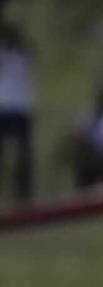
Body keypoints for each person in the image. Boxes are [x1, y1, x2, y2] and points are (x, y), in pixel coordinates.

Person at [0, 17, 34, 201]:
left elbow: (31, 52)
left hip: (19, 108)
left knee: (24, 153)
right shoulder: (3, 56)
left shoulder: (23, 56)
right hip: (5, 108)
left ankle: (23, 192)